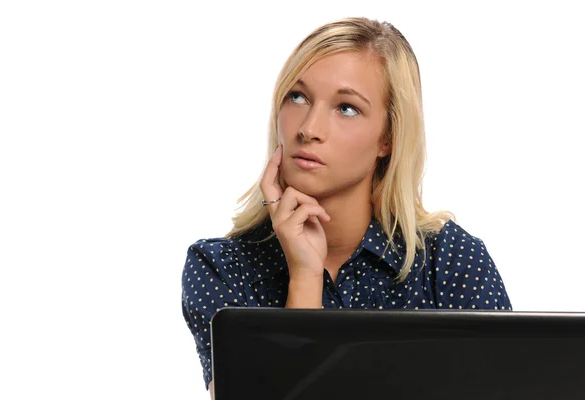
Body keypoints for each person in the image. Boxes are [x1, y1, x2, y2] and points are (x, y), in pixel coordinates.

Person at [181, 16, 512, 397]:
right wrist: (305, 278)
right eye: (298, 97)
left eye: (346, 108)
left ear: (387, 137)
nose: (309, 128)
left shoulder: (450, 260)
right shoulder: (222, 268)